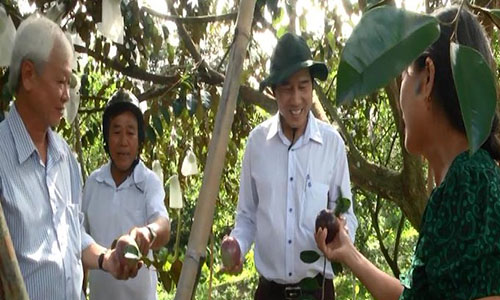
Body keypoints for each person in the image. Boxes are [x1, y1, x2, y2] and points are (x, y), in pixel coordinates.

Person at [315, 7, 500, 300]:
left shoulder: (470, 182)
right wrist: (351, 255)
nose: (399, 90)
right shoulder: (460, 182)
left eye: (403, 74)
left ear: (427, 78)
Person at [0, 15, 140, 300]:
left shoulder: (66, 159)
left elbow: (72, 234)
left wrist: (107, 258)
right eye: (61, 81)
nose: (67, 96)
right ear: (28, 75)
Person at [223, 32, 358, 300]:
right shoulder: (257, 144)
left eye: (303, 86)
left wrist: (341, 233)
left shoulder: (331, 144)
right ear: (274, 91)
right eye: (286, 88)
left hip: (317, 291)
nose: (295, 99)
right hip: (269, 292)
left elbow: (347, 214)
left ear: (312, 88)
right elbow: (248, 215)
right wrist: (237, 244)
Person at [82, 89, 171, 300]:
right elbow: (81, 243)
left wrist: (148, 233)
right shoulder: (93, 183)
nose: (123, 141)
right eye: (116, 131)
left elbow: (164, 225)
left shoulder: (148, 182)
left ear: (139, 138)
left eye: (130, 132)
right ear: (106, 137)